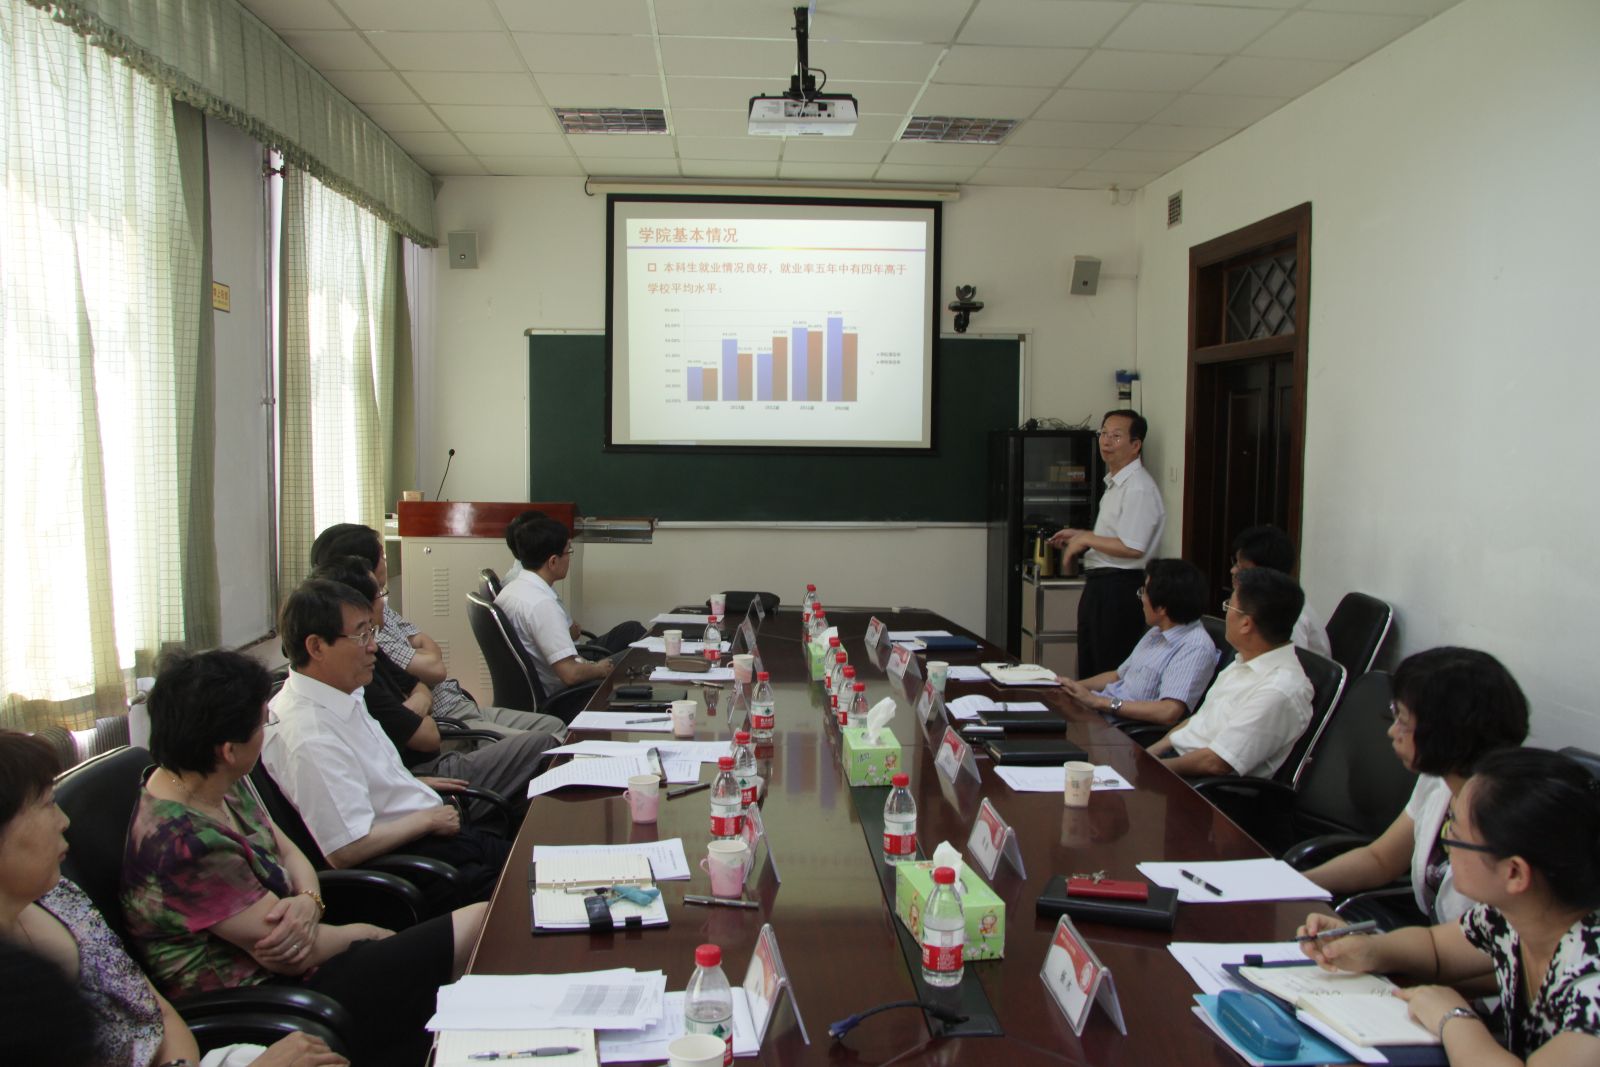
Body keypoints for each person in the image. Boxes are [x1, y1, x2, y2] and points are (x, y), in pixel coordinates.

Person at [124, 650, 486, 1066]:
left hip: (311, 952)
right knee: (476, 925)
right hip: (273, 1000)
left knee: (470, 932)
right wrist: (367, 933)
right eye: (262, 723)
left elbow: (285, 849)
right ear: (228, 749)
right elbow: (293, 949)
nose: (267, 728)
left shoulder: (207, 775)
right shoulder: (183, 843)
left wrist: (308, 900)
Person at [0, 731, 347, 1067]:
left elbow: (158, 1014)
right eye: (47, 805)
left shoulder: (61, 898)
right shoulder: (180, 838)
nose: (63, 821)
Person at [1298, 748, 1600, 1064]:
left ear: (1514, 873)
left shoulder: (1592, 984)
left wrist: (1454, 1017)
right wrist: (1370, 950)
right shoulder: (1514, 916)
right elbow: (1436, 948)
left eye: (1454, 833)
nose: (1444, 844)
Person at [263, 579, 512, 907]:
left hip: (437, 833)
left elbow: (361, 779)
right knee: (531, 894)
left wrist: (409, 783)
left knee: (539, 859)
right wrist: (427, 820)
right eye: (361, 636)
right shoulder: (309, 734)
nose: (373, 647)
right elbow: (345, 848)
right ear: (317, 647)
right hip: (417, 865)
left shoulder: (342, 691)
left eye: (372, 632)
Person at [1303, 647, 1529, 923]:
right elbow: (1380, 859)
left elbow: (1479, 941)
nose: (1392, 731)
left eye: (1403, 721)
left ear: (1443, 733)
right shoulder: (1440, 780)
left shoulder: (1509, 818)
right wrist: (1298, 883)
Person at [311, 555, 561, 803]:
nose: (371, 645)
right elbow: (428, 735)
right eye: (380, 594)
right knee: (547, 747)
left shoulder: (370, 649)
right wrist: (420, 704)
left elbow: (420, 684)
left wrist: (417, 701)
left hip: (445, 733)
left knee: (554, 732)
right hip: (436, 763)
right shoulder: (358, 679)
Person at [309, 523, 545, 736]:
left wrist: (422, 675)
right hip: (451, 722)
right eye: (382, 555)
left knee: (552, 727)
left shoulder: (381, 608)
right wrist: (421, 664)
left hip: (458, 704)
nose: (386, 560)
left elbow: (427, 655)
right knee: (543, 742)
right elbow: (435, 669)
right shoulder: (367, 633)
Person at [1149, 566, 1313, 778]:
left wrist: (1152, 769)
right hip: (1175, 762)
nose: (1226, 613)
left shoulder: (1279, 689)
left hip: (1201, 784)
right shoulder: (1245, 659)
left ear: (1246, 624)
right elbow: (1199, 722)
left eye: (1228, 606)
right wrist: (1150, 754)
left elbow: (1215, 763)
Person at [1049, 409, 1166, 678]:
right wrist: (1081, 534)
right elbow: (1117, 535)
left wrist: (1086, 539)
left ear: (1135, 445)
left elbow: (1132, 547)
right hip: (1101, 586)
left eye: (1116, 436)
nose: (1106, 441)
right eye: (1103, 433)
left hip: (1120, 588)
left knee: (1108, 667)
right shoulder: (1116, 483)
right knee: (1090, 666)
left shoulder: (1138, 487)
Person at [1057, 558, 1218, 727]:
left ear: (1162, 608)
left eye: (1144, 592)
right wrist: (1069, 687)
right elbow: (1117, 676)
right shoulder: (1157, 631)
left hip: (1122, 729)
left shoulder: (1194, 647)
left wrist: (1098, 702)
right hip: (1100, 714)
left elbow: (1168, 712)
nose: (1141, 599)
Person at [496, 515, 618, 698]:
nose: (569, 558)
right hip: (565, 698)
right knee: (634, 662)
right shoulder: (542, 605)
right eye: (568, 551)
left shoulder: (510, 591)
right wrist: (600, 669)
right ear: (553, 561)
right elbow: (571, 674)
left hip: (535, 692)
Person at [1231, 524, 1331, 657]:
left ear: (1266, 573)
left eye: (1242, 569)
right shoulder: (1266, 602)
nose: (1233, 571)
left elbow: (1293, 662)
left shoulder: (1288, 617)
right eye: (1235, 563)